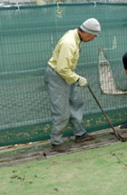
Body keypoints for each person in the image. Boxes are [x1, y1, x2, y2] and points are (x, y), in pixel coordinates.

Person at [44, 18, 101, 152]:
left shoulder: (76, 36)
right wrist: (78, 79)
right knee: (61, 111)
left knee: (76, 102)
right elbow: (62, 68)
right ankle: (56, 142)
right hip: (57, 76)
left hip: (67, 74)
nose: (93, 39)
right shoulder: (69, 43)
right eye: (93, 36)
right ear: (86, 32)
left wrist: (74, 77)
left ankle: (80, 134)